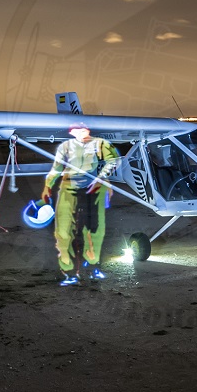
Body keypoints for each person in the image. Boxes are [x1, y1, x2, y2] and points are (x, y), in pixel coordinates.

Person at [42, 122, 119, 286]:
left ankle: (93, 266)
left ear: (87, 130)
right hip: (68, 188)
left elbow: (113, 160)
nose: (77, 132)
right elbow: (56, 168)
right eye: (74, 130)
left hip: (94, 190)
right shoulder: (65, 146)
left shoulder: (101, 144)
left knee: (94, 231)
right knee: (63, 232)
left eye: (80, 129)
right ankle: (69, 272)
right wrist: (48, 186)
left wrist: (99, 179)